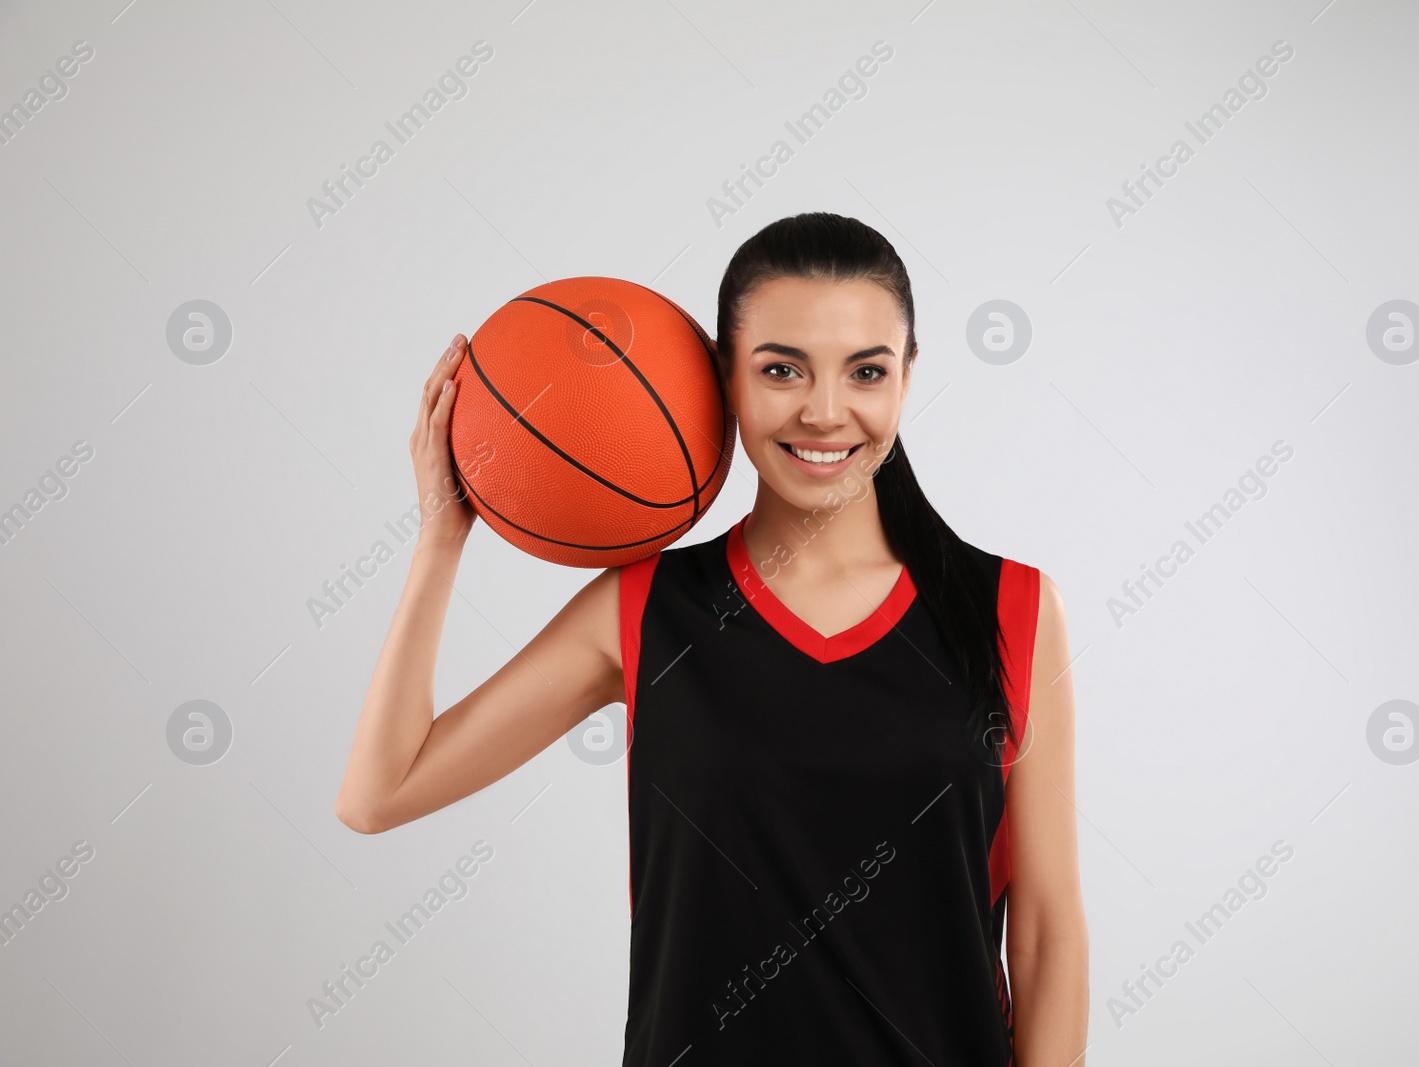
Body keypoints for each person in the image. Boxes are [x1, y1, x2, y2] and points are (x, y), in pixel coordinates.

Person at [336, 212, 1088, 1064]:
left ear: (907, 378)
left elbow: (1046, 936)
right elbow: (378, 792)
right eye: (781, 370)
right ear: (725, 379)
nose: (826, 411)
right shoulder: (646, 609)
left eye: (866, 371)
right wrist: (441, 535)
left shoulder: (1012, 608)